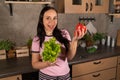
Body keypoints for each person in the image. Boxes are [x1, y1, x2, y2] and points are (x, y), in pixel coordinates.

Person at [31, 6, 86, 80]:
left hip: (65, 75)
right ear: (41, 20)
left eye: (55, 18)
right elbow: (34, 64)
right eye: (48, 18)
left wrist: (75, 40)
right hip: (46, 76)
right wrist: (47, 63)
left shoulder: (64, 33)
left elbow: (69, 57)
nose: (52, 22)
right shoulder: (37, 39)